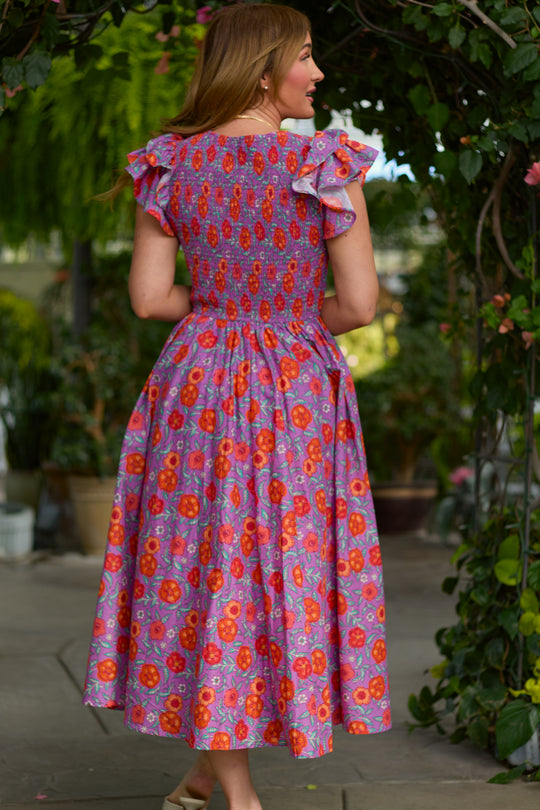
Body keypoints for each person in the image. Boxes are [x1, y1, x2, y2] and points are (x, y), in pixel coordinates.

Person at [83, 4, 391, 810]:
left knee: (210, 566)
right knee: (272, 568)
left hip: (198, 381)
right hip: (293, 386)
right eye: (307, 56)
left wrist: (223, 310)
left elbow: (150, 299)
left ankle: (199, 776)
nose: (319, 73)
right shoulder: (327, 166)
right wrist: (283, 318)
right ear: (263, 70)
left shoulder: (171, 165)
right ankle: (240, 798)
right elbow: (359, 305)